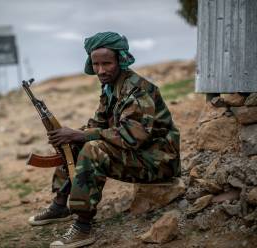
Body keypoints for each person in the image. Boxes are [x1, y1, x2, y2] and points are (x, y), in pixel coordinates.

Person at [28, 31, 181, 248]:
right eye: (96, 64)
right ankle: (60, 205)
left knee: (92, 148)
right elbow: (98, 124)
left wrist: (81, 135)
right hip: (139, 155)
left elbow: (131, 137)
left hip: (159, 161)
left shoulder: (137, 92)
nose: (100, 70)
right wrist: (69, 135)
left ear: (120, 60)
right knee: (73, 142)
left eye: (107, 63)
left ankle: (82, 227)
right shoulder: (111, 86)